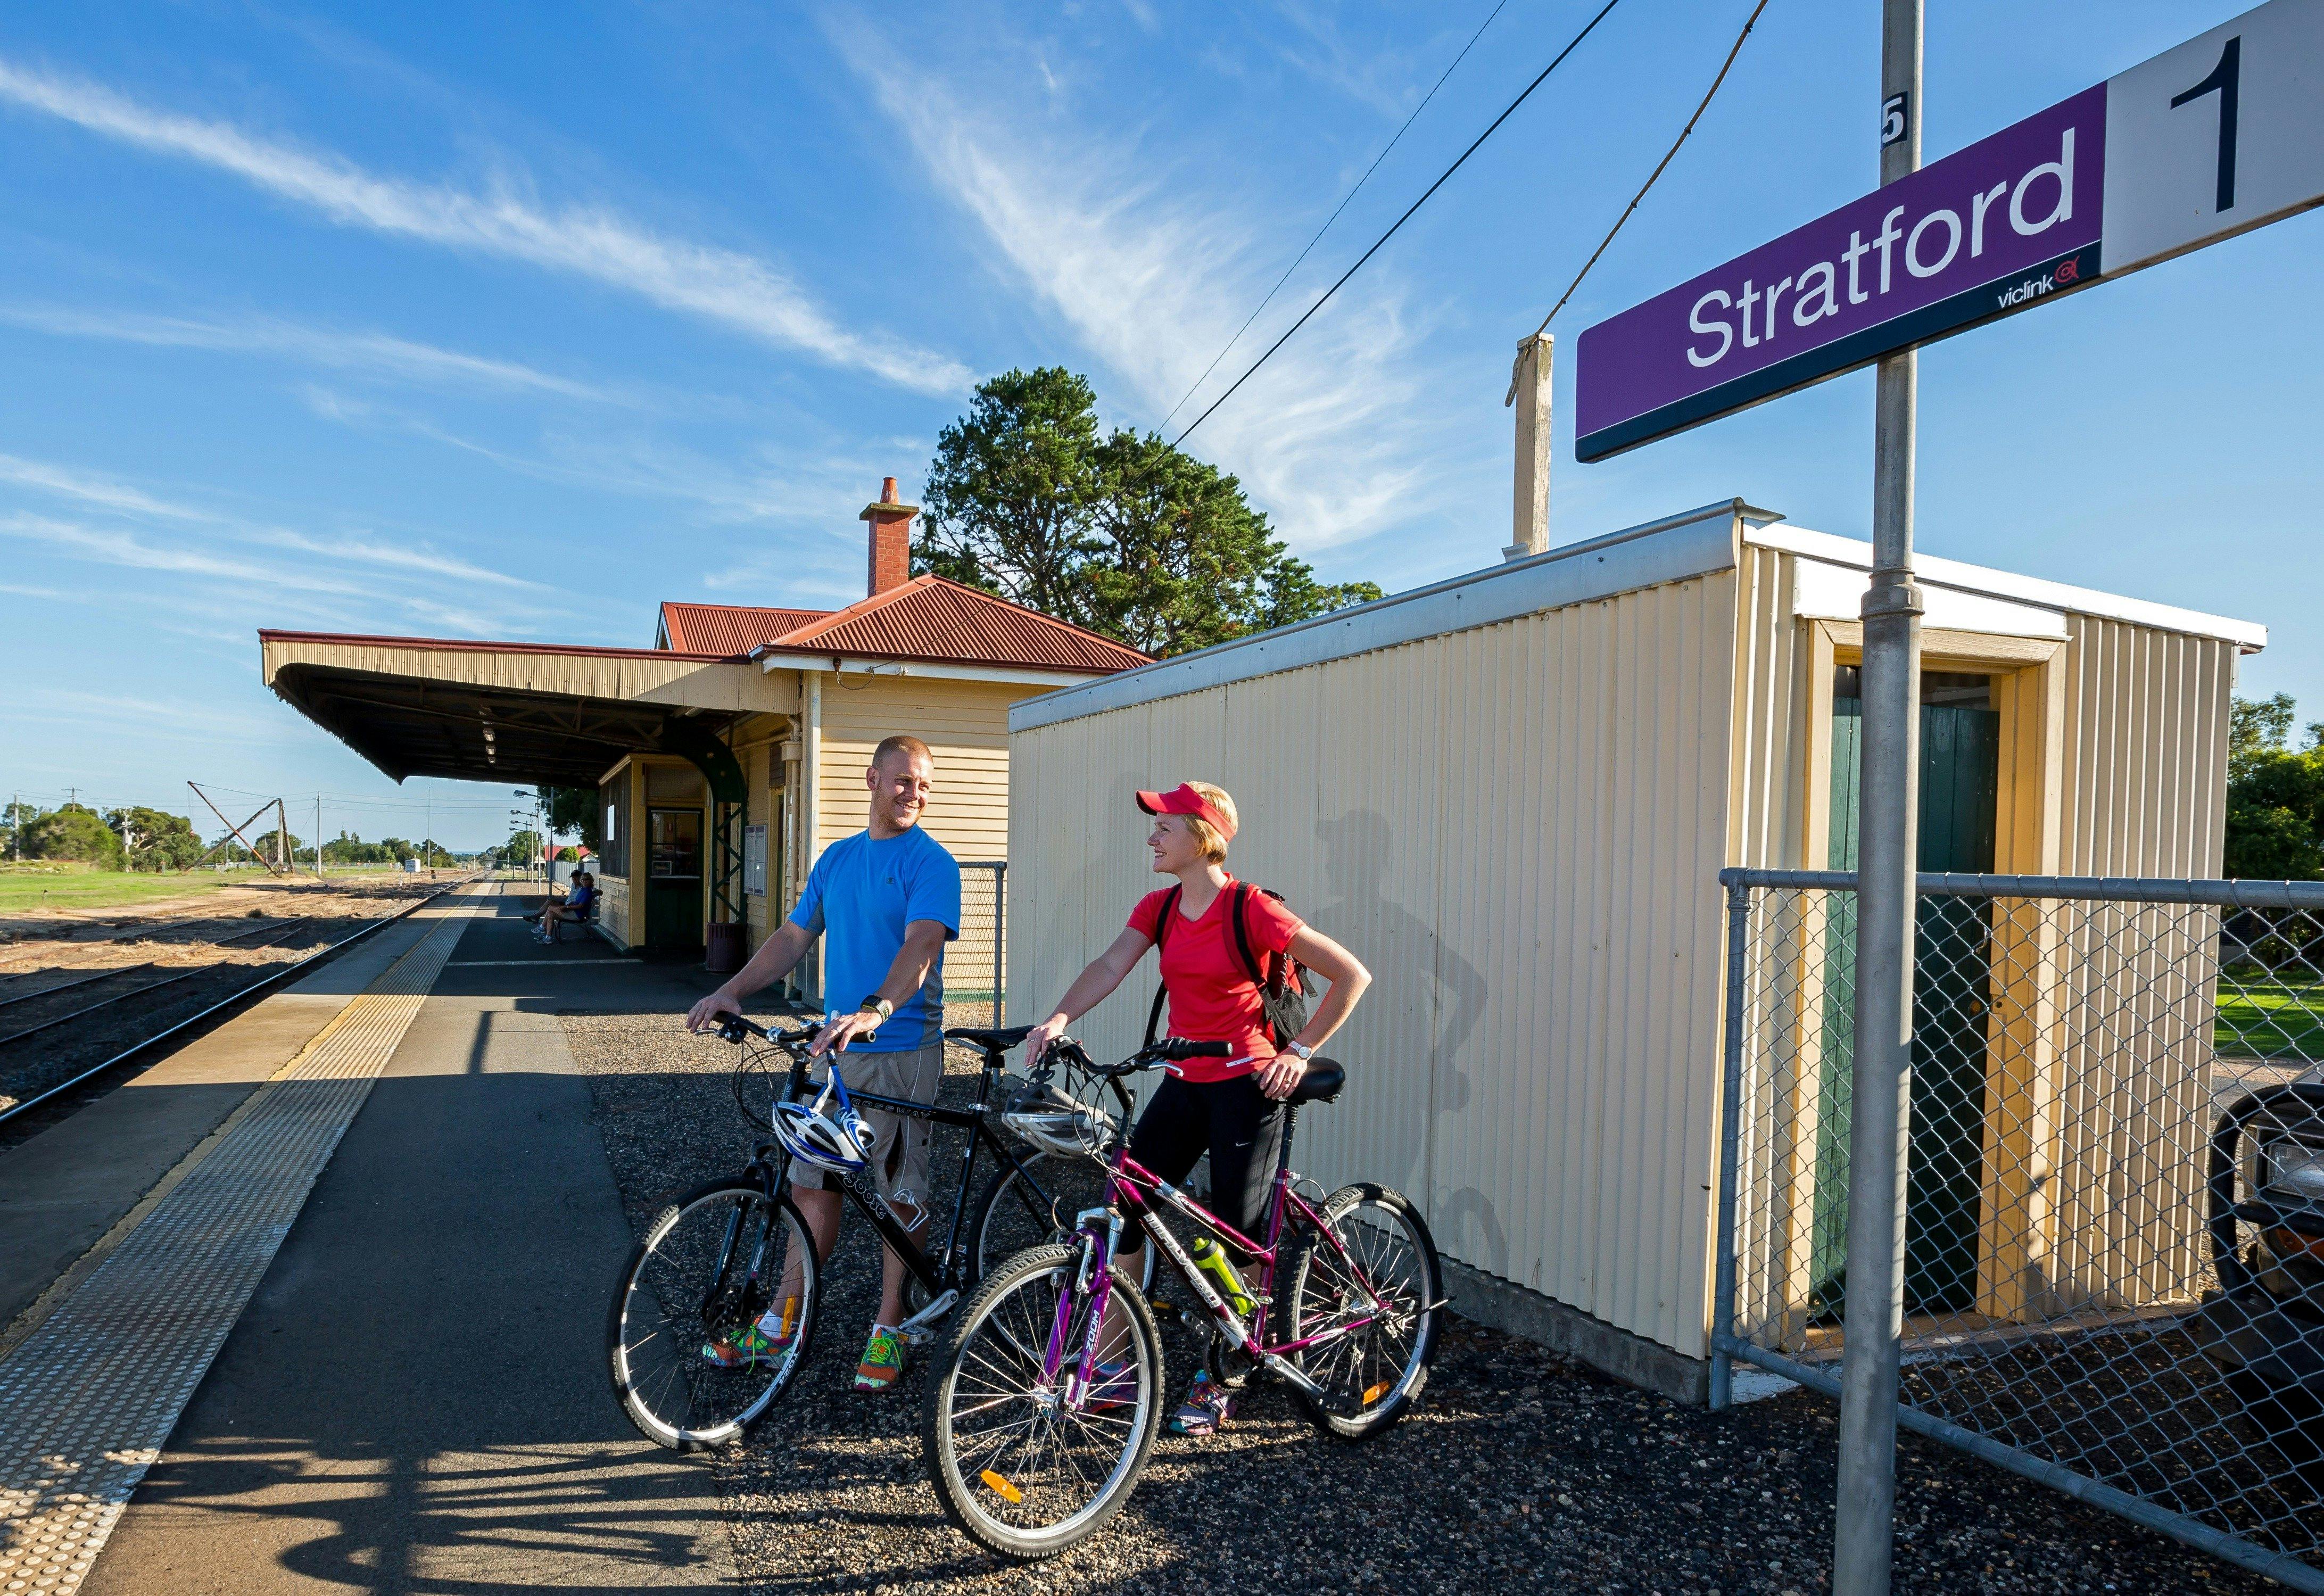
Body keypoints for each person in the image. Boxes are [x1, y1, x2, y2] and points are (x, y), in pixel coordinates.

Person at [1022, 781, 1371, 1436]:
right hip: (1185, 1077)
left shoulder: (1251, 909)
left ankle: (1227, 1368)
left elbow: (1353, 974)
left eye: (1164, 826)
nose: (1151, 836)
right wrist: (1059, 1017)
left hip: (1249, 1083)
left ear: (1202, 835)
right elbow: (1109, 964)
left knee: (1233, 1236)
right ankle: (1111, 1365)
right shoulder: (1159, 906)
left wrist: (1297, 1049)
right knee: (1124, 1204)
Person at [685, 734, 961, 1393]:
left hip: (901, 1051)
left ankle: (890, 1324)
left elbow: (921, 946)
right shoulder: (837, 860)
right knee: (811, 1184)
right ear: (871, 779)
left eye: (923, 784)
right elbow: (791, 937)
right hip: (835, 1056)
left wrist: (875, 1008)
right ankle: (783, 1319)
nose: (913, 793)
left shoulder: (933, 863)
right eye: (902, 780)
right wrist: (732, 990)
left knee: (900, 1194)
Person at [537, 871, 594, 942]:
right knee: (551, 913)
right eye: (583, 879)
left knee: (551, 907)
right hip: (574, 911)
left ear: (591, 880)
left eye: (587, 879)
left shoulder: (587, 892)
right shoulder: (584, 890)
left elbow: (580, 906)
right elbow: (576, 901)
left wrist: (566, 907)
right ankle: (548, 937)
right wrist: (569, 906)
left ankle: (542, 928)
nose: (585, 881)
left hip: (577, 915)